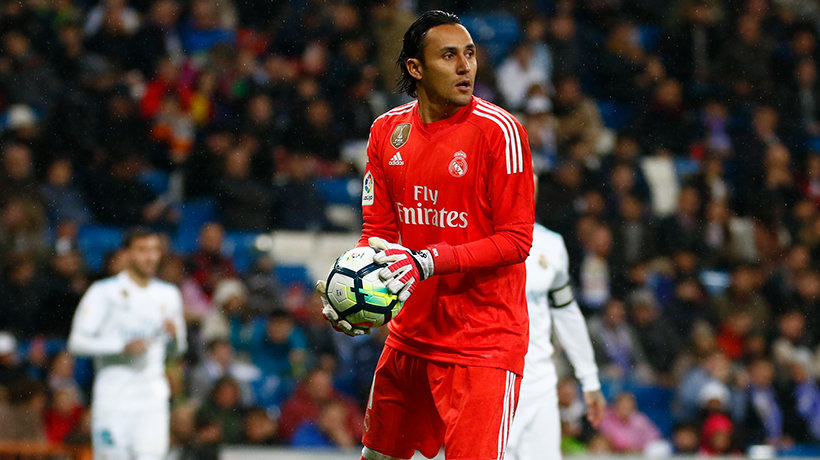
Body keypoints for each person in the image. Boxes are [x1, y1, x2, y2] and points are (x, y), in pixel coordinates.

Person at [316, 10, 535, 460]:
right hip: (410, 337)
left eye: (470, 54)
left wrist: (427, 261)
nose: (465, 67)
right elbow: (377, 234)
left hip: (482, 344)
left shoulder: (501, 132)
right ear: (415, 68)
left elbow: (516, 241)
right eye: (449, 56)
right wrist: (353, 296)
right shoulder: (387, 131)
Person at [68, 227, 187, 460]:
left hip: (152, 400)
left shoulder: (169, 294)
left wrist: (174, 338)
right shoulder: (104, 292)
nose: (150, 257)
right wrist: (120, 347)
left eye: (154, 250)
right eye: (142, 250)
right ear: (126, 254)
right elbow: (76, 343)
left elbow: (177, 352)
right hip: (113, 399)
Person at [506, 222, 606, 460]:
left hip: (540, 383)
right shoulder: (474, 233)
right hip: (493, 381)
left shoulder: (551, 243)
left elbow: (565, 310)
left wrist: (590, 379)